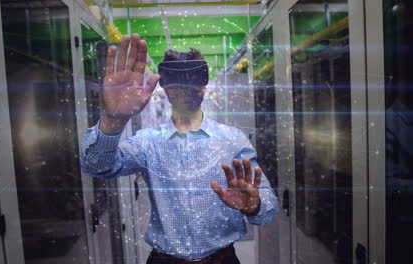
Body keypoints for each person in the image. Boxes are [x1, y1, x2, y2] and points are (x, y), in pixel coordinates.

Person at [80, 33, 278, 264]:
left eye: (195, 78)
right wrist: (114, 120)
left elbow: (267, 204)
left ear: (204, 86)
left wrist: (254, 206)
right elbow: (96, 166)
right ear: (166, 88)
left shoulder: (233, 139)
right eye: (177, 80)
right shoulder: (147, 142)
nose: (187, 87)